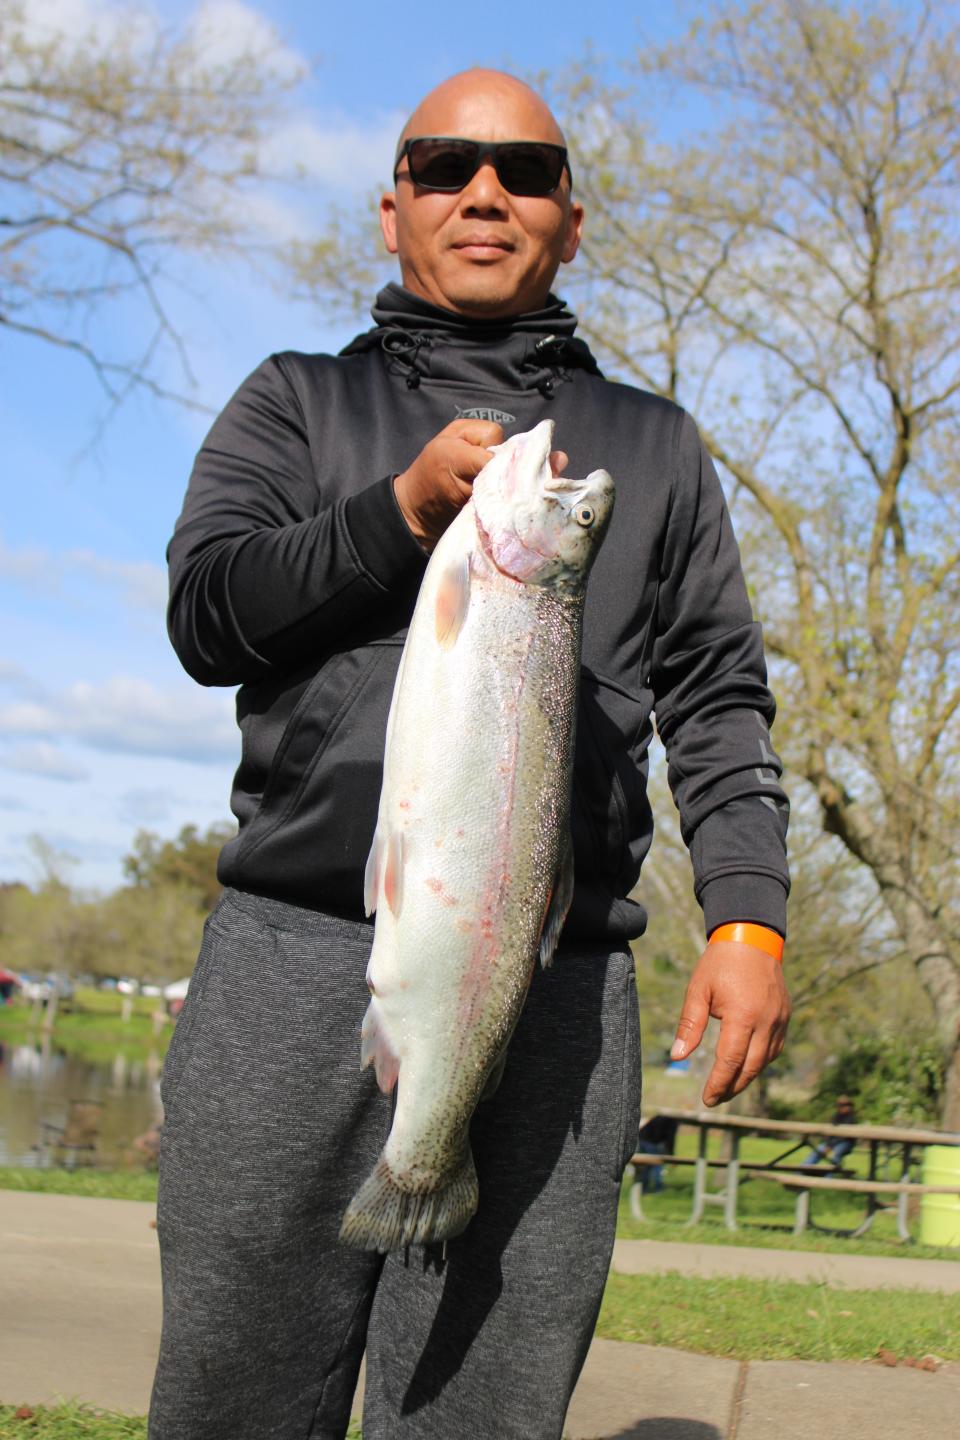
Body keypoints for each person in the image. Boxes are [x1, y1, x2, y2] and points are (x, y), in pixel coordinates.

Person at [149, 69, 791, 1440]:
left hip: (549, 991)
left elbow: (721, 698)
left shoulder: (655, 451)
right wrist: (395, 513)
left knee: (481, 1416)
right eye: (443, 166)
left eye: (525, 170)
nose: (483, 192)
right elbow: (209, 613)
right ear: (393, 211)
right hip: (290, 955)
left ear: (573, 216)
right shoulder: (294, 402)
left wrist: (750, 916)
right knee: (232, 1404)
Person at [804, 1094, 857, 1167]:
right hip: (832, 1143)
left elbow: (844, 1136)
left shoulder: (851, 1118)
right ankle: (803, 1170)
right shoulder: (836, 1116)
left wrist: (830, 1146)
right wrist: (828, 1144)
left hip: (845, 1143)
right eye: (840, 1105)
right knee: (818, 1150)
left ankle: (830, 1176)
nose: (842, 1107)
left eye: (846, 1105)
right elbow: (830, 1133)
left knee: (836, 1153)